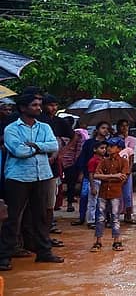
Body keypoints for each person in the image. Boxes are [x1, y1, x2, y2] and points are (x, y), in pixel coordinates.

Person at [0, 93, 64, 271]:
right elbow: (18, 151)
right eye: (34, 105)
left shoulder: (44, 127)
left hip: (41, 176)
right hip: (17, 177)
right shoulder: (11, 129)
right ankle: (4, 256)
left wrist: (35, 146)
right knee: (13, 217)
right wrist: (41, 147)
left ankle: (44, 252)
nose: (38, 107)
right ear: (23, 108)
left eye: (39, 104)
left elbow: (54, 146)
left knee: (40, 217)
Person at [91, 137, 129, 253]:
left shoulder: (123, 161)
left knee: (115, 218)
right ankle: (98, 241)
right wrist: (115, 176)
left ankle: (116, 241)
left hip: (114, 192)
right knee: (100, 218)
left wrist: (107, 177)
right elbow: (96, 176)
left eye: (112, 146)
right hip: (105, 192)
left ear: (119, 149)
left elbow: (123, 177)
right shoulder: (104, 161)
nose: (108, 148)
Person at [73, 120, 111, 225]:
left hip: (103, 176)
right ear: (97, 129)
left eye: (107, 128)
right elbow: (83, 158)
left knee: (103, 198)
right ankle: (82, 217)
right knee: (85, 195)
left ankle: (103, 218)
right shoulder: (89, 143)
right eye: (103, 128)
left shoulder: (109, 144)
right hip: (88, 174)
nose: (105, 130)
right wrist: (81, 173)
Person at [116, 119, 136, 224]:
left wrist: (128, 171)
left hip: (126, 170)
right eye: (122, 126)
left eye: (126, 126)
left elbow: (130, 154)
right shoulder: (114, 139)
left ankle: (128, 215)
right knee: (116, 193)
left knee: (127, 194)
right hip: (116, 170)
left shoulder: (131, 140)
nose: (124, 128)